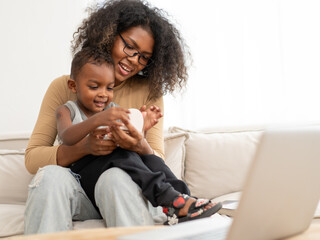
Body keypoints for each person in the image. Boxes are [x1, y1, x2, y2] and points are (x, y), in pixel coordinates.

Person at [24, 0, 220, 234]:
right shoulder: (65, 88)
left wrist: (140, 141)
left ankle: (175, 199)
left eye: (144, 57)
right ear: (109, 34)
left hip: (123, 187)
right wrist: (87, 147)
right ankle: (175, 198)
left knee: (115, 176)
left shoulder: (149, 92)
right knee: (50, 177)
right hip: (77, 186)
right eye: (130, 47)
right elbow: (33, 158)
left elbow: (153, 155)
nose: (134, 60)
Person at [56, 47, 222, 225]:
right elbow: (67, 137)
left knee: (142, 155)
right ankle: (168, 197)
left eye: (110, 87)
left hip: (112, 165)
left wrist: (142, 128)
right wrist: (98, 119)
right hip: (83, 175)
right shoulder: (66, 110)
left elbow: (128, 142)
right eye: (94, 87)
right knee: (122, 155)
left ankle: (182, 198)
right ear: (73, 86)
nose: (103, 93)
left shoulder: (112, 108)